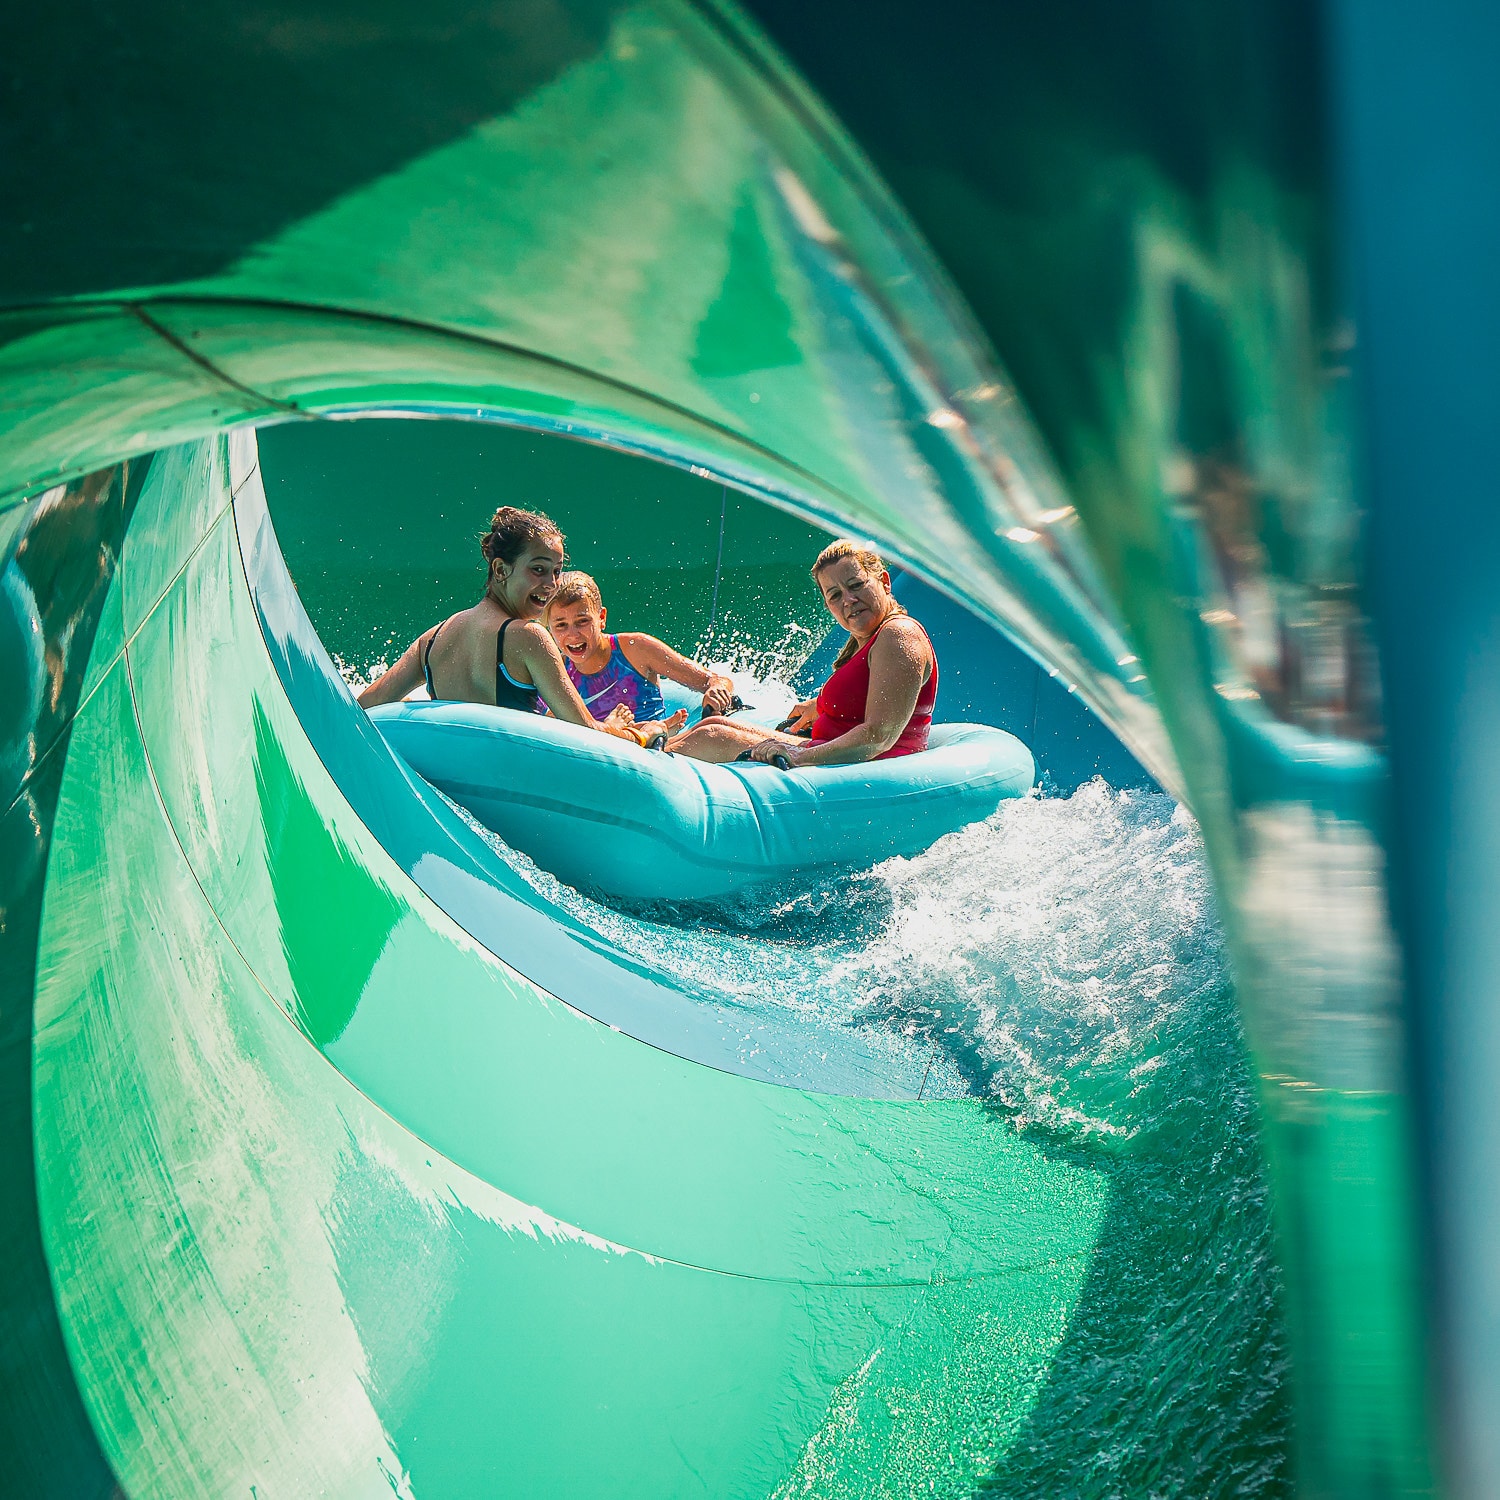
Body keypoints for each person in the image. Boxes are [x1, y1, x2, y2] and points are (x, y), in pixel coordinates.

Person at [357, 505, 640, 742]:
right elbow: (587, 732)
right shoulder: (529, 638)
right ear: (501, 569)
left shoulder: (431, 640)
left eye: (556, 571)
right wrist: (634, 734)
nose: (551, 584)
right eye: (538, 570)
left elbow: (364, 707)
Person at [666, 539, 937, 767]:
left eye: (856, 585)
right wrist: (819, 706)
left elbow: (880, 736)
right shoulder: (871, 640)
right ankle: (642, 743)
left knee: (711, 736)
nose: (848, 600)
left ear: (885, 582)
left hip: (867, 770)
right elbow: (867, 698)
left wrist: (800, 756)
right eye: (835, 595)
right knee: (711, 725)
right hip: (831, 749)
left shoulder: (898, 635)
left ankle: (638, 755)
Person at [544, 571, 736, 737]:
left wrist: (716, 690)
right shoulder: (555, 673)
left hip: (657, 751)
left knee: (712, 734)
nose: (573, 634)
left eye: (582, 621)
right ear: (549, 628)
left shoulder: (635, 649)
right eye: (561, 625)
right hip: (604, 754)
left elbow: (713, 680)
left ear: (601, 618)